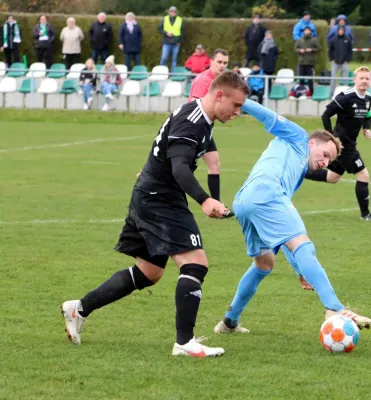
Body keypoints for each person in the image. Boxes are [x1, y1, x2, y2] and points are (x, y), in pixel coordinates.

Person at [61, 71, 250, 358]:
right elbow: (179, 168)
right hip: (159, 199)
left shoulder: (198, 113)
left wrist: (150, 170)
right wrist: (204, 199)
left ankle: (79, 308)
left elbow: (169, 154)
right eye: (235, 105)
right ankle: (184, 343)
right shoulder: (192, 121)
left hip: (151, 193)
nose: (237, 112)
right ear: (219, 94)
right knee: (195, 265)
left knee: (148, 272)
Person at [212, 99, 371, 335]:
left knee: (264, 264)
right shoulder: (297, 136)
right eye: (325, 154)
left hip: (245, 202)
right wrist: (241, 101)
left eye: (330, 161)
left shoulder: (296, 170)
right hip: (266, 193)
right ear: (312, 142)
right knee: (304, 246)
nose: (325, 162)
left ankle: (229, 322)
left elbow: (285, 239)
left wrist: (300, 270)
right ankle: (334, 308)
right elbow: (269, 117)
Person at [305, 65, 371, 223]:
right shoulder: (345, 96)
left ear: (370, 81)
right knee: (348, 176)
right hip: (342, 147)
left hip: (351, 145)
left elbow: (367, 115)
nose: (364, 81)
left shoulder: (368, 99)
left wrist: (367, 128)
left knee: (345, 176)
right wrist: (330, 138)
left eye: (367, 78)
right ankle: (365, 215)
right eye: (361, 78)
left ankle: (365, 214)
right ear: (355, 79)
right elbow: (326, 115)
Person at [188, 49, 231, 211]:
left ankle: (217, 205)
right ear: (211, 61)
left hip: (205, 129)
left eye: (225, 63)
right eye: (219, 62)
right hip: (193, 130)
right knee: (181, 167)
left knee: (215, 165)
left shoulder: (219, 81)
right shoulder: (204, 80)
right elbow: (195, 106)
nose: (222, 66)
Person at [295, 26, 321, 95]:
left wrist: (311, 49)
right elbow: (295, 49)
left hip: (310, 63)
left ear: (310, 31)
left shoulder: (314, 40)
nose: (306, 32)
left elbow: (318, 48)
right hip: (301, 63)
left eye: (308, 30)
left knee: (310, 80)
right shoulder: (300, 39)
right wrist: (300, 50)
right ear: (304, 31)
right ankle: (301, 93)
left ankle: (311, 93)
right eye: (305, 30)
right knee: (301, 80)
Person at [328, 25, 352, 97]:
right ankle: (331, 93)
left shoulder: (347, 39)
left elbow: (350, 51)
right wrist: (332, 59)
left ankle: (346, 94)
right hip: (335, 62)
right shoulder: (333, 39)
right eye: (339, 30)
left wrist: (347, 60)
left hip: (344, 62)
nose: (341, 31)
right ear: (337, 31)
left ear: (344, 31)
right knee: (333, 78)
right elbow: (330, 50)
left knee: (345, 78)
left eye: (342, 30)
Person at [159, 6, 184, 72]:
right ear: (169, 12)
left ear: (176, 12)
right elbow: (159, 29)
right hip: (166, 42)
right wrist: (166, 33)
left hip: (176, 43)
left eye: (174, 11)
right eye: (171, 11)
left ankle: (173, 74)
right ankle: (161, 72)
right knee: (164, 58)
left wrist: (180, 41)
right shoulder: (165, 19)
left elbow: (182, 31)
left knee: (174, 59)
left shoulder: (179, 19)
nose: (173, 12)